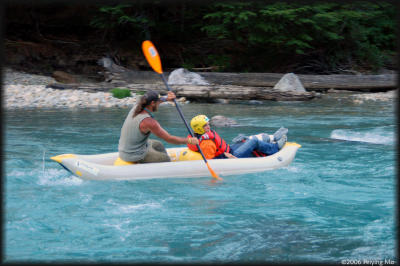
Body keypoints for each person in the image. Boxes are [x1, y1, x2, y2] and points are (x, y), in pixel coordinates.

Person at [118, 90, 199, 164]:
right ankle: (159, 164)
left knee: (158, 144)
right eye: (158, 103)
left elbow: (158, 100)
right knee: (165, 158)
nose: (159, 104)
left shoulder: (137, 106)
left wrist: (167, 98)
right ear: (152, 103)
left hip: (126, 149)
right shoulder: (149, 122)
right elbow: (169, 139)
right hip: (134, 155)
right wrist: (189, 140)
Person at [187, 114, 288, 159]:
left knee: (245, 139)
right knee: (254, 141)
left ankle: (272, 138)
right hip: (232, 156)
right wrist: (225, 155)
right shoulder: (205, 143)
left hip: (229, 150)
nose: (209, 126)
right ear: (199, 128)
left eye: (208, 124)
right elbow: (212, 160)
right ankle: (275, 147)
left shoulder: (203, 135)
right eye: (206, 126)